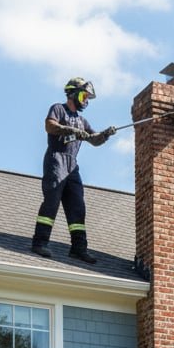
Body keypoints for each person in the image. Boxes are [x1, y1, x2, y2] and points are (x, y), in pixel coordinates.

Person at [30, 77, 116, 264]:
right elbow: (49, 126)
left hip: (72, 166)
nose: (86, 101)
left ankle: (78, 249)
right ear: (73, 93)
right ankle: (39, 242)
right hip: (56, 159)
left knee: (78, 206)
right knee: (52, 200)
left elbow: (94, 140)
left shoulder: (82, 120)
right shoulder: (58, 109)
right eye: (84, 95)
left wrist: (105, 134)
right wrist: (71, 130)